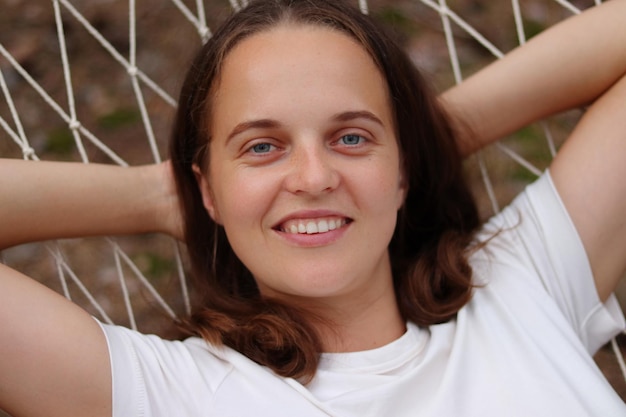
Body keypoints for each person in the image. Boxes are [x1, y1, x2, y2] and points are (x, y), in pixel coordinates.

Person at [0, 0, 625, 416]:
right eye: (263, 146)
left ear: (401, 169)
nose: (314, 176)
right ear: (209, 189)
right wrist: (165, 198)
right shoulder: (168, 394)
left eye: (351, 138)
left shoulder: (524, 289)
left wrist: (429, 138)